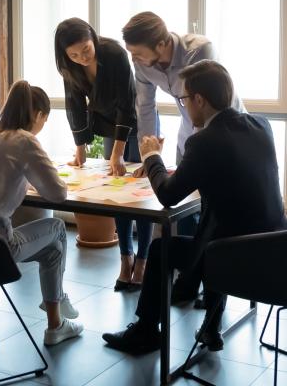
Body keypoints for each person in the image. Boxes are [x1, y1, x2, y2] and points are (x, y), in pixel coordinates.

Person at [102, 60, 287, 354]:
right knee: (219, 225)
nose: (184, 106)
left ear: (199, 100)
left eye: (184, 99)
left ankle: (146, 332)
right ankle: (211, 327)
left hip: (233, 260)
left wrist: (151, 157)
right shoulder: (261, 125)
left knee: (162, 250)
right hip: (276, 255)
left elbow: (167, 195)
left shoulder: (203, 141)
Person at [122, 11, 246, 303]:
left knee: (212, 207)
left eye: (138, 53)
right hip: (188, 131)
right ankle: (188, 279)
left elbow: (210, 101)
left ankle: (212, 278)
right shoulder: (142, 63)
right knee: (185, 208)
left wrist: (195, 149)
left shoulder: (199, 50)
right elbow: (145, 106)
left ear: (162, 43)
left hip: (224, 131)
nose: (135, 59)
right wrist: (147, 153)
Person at [0, 80, 83, 346]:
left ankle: (58, 310)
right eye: (44, 120)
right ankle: (56, 319)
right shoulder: (25, 141)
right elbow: (58, 194)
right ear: (38, 115)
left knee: (52, 247)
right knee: (57, 230)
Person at [54, 17, 155, 290]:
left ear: (93, 37)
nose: (82, 57)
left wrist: (118, 153)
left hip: (137, 123)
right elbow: (74, 105)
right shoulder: (70, 67)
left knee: (141, 195)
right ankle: (125, 259)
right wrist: (80, 149)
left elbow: (126, 103)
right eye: (73, 54)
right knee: (117, 196)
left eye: (86, 49)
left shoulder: (114, 54)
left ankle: (143, 261)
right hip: (110, 127)